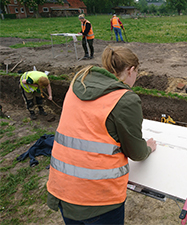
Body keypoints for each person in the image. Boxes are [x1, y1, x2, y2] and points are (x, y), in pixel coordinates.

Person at [47, 45, 156, 224]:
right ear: (131, 70)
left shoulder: (79, 80)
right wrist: (148, 147)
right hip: (98, 198)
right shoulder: (125, 99)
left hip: (62, 187)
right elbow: (136, 153)